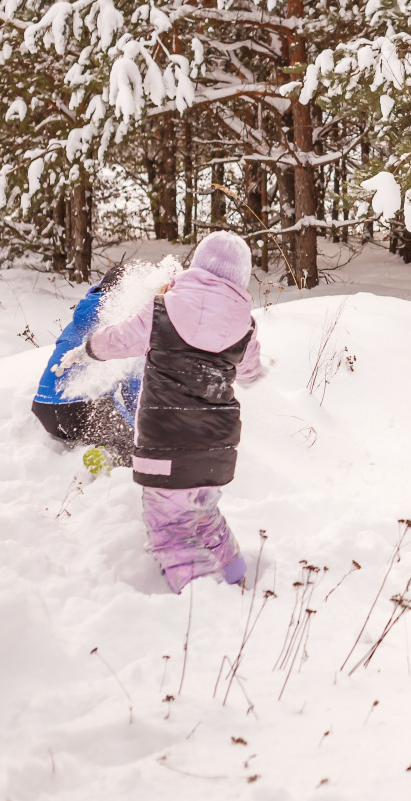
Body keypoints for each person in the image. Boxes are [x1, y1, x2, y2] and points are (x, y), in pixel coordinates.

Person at [60, 232, 264, 592]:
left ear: (197, 265)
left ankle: (201, 603)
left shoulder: (162, 308)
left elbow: (120, 339)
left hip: (166, 444)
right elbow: (248, 371)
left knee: (170, 531)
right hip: (217, 449)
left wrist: (88, 349)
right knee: (203, 514)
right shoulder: (245, 326)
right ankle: (235, 572)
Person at [32, 263, 140, 464]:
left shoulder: (83, 315)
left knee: (102, 425)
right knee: (142, 448)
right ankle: (109, 459)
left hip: (44, 408)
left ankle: (101, 448)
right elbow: (134, 389)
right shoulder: (124, 323)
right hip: (85, 407)